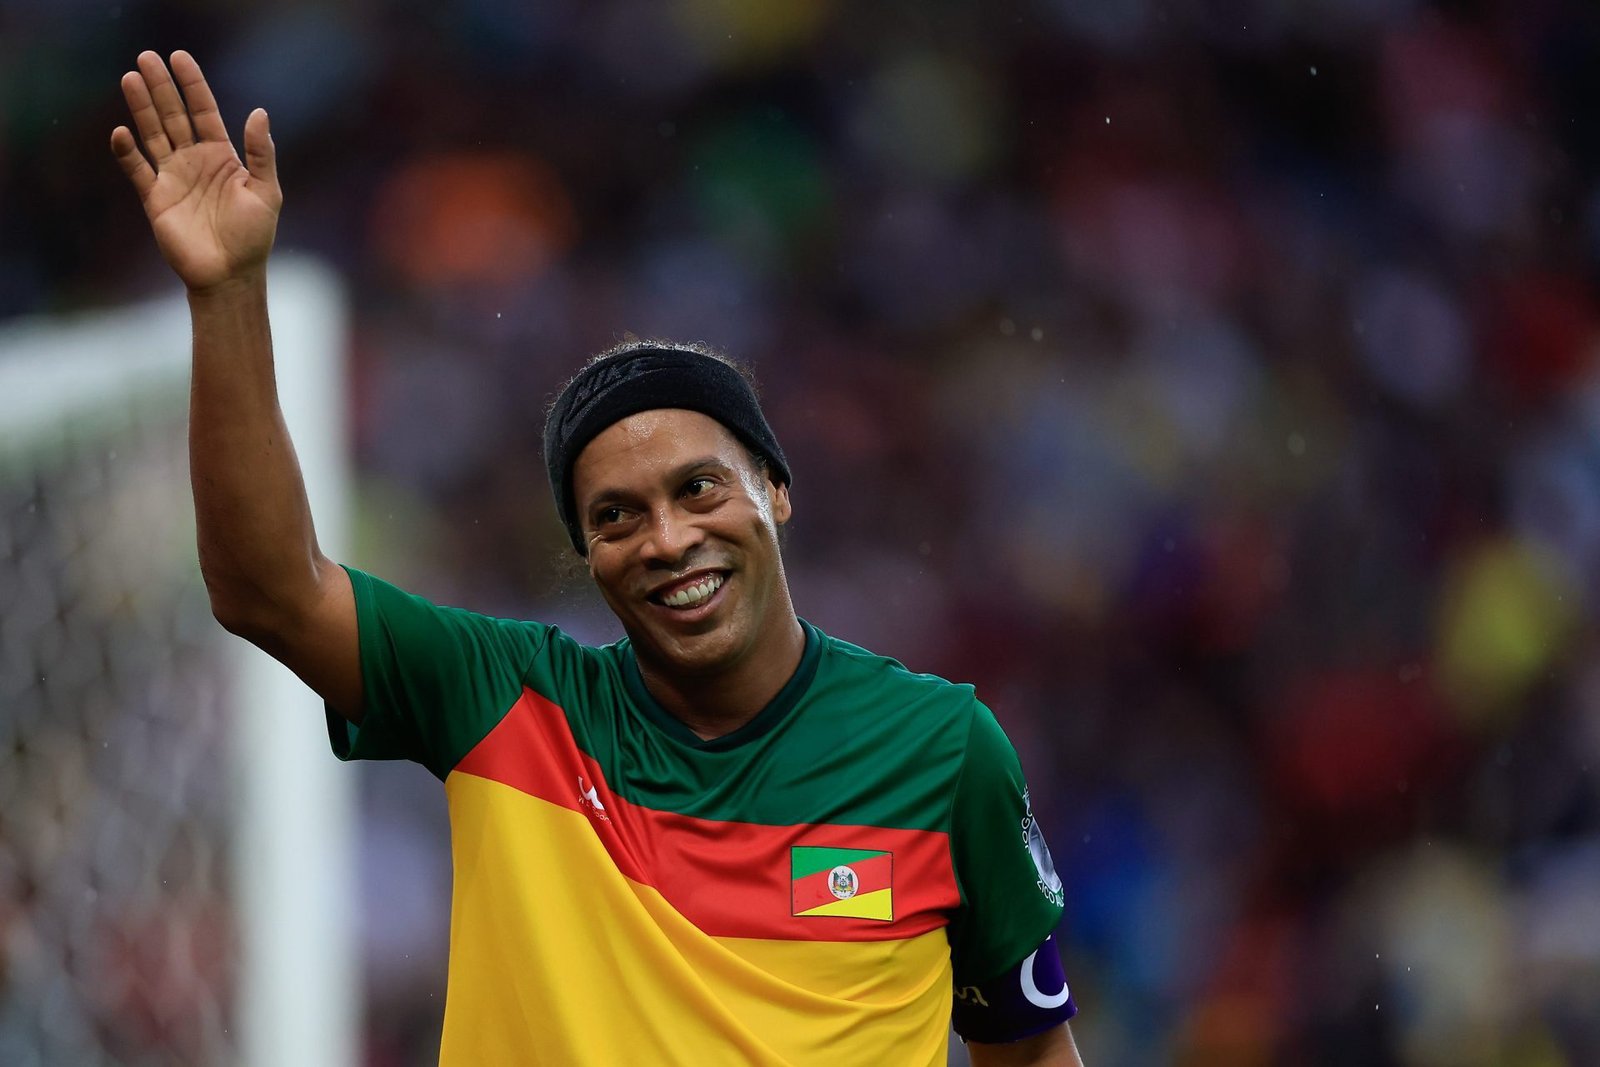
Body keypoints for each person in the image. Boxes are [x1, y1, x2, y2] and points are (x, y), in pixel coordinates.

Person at [112, 49, 1086, 1067]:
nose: (667, 537)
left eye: (699, 488)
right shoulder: (507, 702)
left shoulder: (942, 750)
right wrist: (228, 292)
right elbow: (265, 590)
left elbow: (1029, 1051)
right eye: (617, 516)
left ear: (776, 490)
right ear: (587, 554)